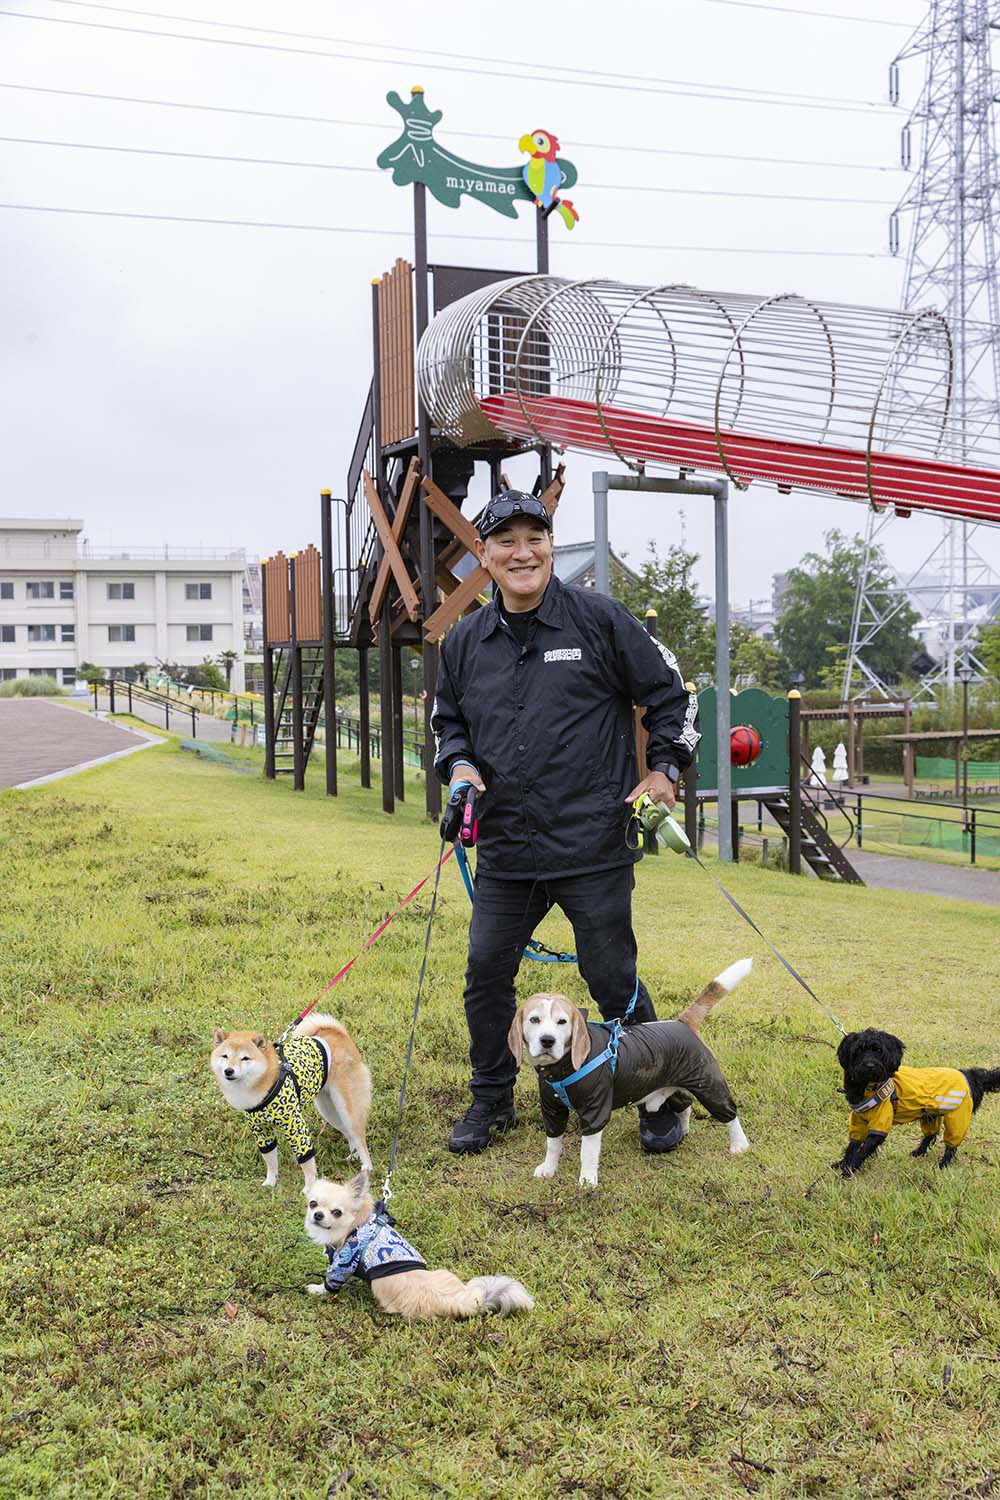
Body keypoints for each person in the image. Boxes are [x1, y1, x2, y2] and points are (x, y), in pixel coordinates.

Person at [431, 490, 700, 1155]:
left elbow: (672, 697)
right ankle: (492, 1098)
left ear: (550, 546)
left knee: (613, 981)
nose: (522, 552)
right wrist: (460, 769)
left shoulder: (601, 621)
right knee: (486, 977)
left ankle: (656, 1093)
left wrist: (663, 770)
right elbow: (448, 729)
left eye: (535, 538)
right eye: (505, 541)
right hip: (506, 851)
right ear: (484, 554)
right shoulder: (464, 642)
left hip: (592, 843)